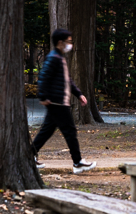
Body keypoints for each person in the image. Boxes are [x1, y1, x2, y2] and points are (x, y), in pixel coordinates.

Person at [31, 28, 96, 174]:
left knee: (46, 131)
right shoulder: (54, 58)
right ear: (60, 42)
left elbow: (67, 80)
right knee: (70, 131)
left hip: (58, 102)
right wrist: (43, 96)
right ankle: (78, 162)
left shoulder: (59, 57)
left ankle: (29, 156)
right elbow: (43, 78)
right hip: (57, 103)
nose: (70, 44)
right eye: (68, 41)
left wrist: (78, 94)